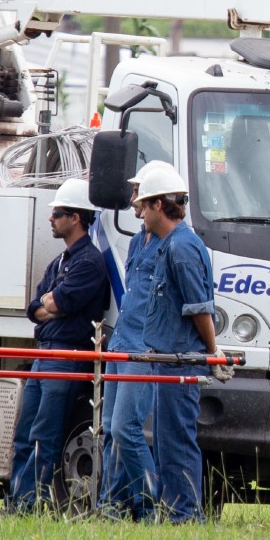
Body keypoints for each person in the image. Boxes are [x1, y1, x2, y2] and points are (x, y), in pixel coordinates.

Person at [134, 164, 232, 523]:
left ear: (159, 205)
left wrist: (212, 353)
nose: (140, 213)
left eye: (145, 205)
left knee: (176, 442)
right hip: (167, 359)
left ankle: (185, 516)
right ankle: (175, 512)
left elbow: (199, 309)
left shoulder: (182, 248)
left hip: (181, 360)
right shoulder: (171, 245)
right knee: (165, 443)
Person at [5, 178, 110, 514]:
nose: (51, 219)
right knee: (25, 434)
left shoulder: (89, 263)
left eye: (58, 213)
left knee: (44, 435)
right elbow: (35, 307)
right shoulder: (60, 262)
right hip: (45, 356)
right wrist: (49, 306)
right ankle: (17, 502)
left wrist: (51, 305)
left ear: (76, 218)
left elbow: (57, 302)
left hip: (65, 357)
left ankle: (30, 504)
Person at [98, 160, 171, 521]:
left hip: (141, 348)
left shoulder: (170, 244)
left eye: (138, 192)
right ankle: (110, 508)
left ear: (154, 197)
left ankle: (149, 508)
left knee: (125, 428)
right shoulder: (138, 240)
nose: (132, 199)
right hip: (121, 344)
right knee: (110, 430)